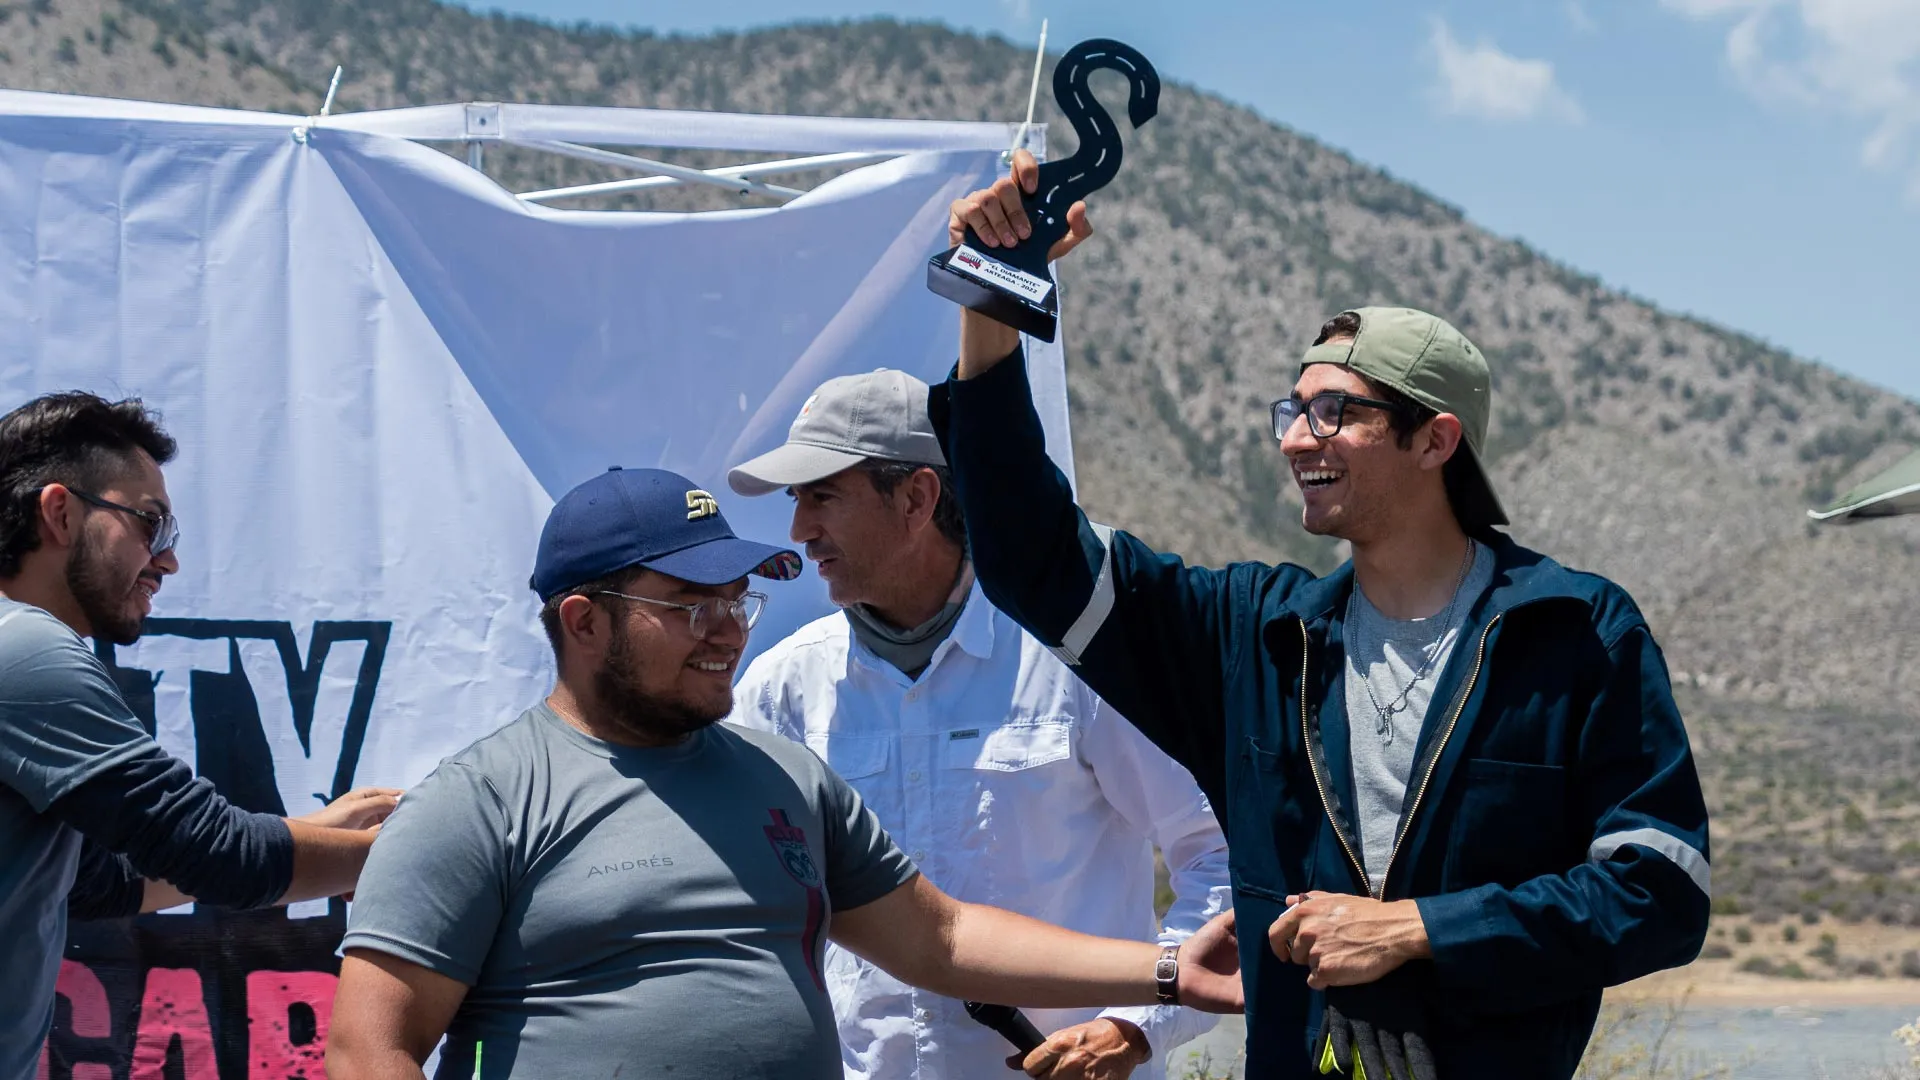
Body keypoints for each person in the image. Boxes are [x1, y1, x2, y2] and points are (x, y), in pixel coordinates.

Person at [928, 152, 1712, 1080]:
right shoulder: (1254, 639)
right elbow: (1030, 557)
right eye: (1292, 412)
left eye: (1334, 411)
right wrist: (993, 298)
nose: (1299, 438)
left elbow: (1659, 890)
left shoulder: (1576, 633)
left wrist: (1421, 929)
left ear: (1435, 439)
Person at [326, 467, 1243, 1080]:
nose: (730, 628)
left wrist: (1167, 971)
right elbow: (369, 1047)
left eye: (737, 599)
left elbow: (945, 940)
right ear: (582, 620)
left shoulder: (783, 779)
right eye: (690, 605)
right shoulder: (479, 801)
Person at [725, 368, 1233, 1080]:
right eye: (797, 500)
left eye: (823, 496)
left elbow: (1221, 856)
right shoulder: (780, 691)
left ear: (916, 498)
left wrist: (1134, 1028)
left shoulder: (1075, 659)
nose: (799, 530)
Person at [0, 392, 391, 1080]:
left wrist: (317, 833)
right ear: (60, 512)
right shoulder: (25, 651)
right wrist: (412, 857)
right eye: (151, 524)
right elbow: (220, 854)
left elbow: (97, 883)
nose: (168, 561)